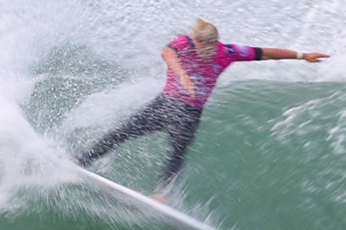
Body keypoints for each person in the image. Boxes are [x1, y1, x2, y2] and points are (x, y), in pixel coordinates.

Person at [76, 18, 329, 201]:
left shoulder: (228, 52)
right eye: (202, 48)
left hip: (190, 113)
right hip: (164, 104)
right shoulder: (183, 44)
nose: (207, 53)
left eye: (211, 48)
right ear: (195, 42)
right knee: (122, 133)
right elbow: (167, 54)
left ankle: (162, 195)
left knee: (177, 154)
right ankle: (81, 160)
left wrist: (301, 55)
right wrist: (182, 76)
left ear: (217, 43)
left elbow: (264, 53)